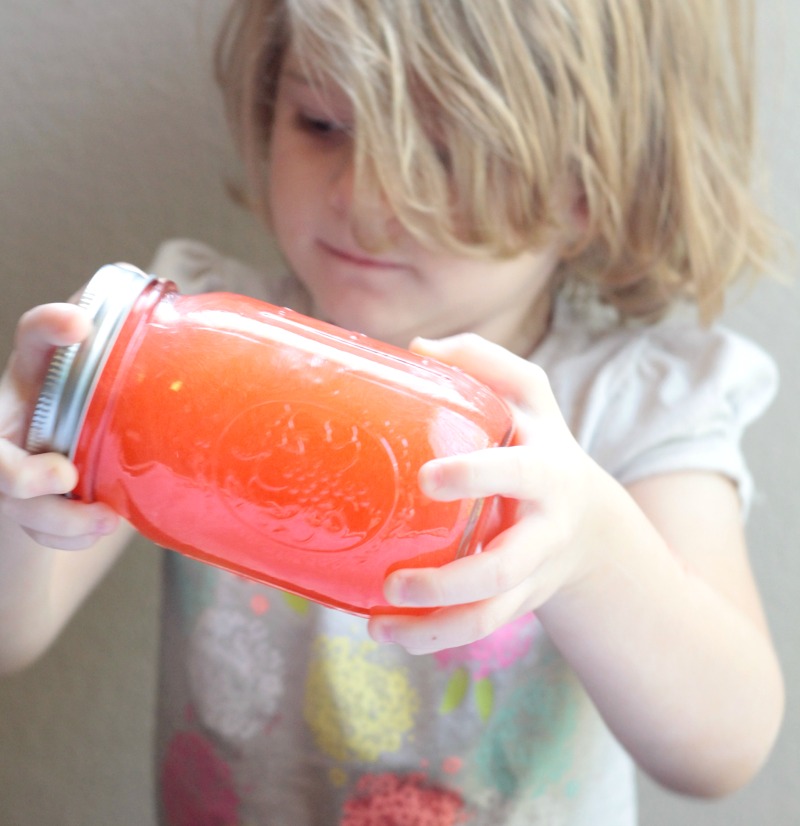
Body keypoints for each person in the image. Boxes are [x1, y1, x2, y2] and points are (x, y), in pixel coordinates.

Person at [0, 0, 786, 823]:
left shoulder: (628, 404)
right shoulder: (191, 347)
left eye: (445, 154)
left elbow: (720, 748)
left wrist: (593, 548)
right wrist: (31, 481)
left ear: (585, 189)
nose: (365, 196)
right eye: (322, 123)